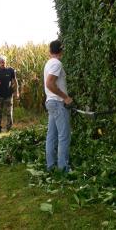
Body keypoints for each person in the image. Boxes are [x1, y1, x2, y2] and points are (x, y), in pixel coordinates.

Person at [44, 40, 73, 172]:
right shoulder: (57, 63)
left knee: (52, 135)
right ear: (61, 51)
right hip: (57, 102)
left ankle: (51, 166)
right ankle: (63, 168)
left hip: (51, 102)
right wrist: (65, 97)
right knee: (64, 136)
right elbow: (50, 83)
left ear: (50, 51)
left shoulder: (49, 63)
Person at [0, 55, 19, 132]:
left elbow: (15, 81)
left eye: (3, 62)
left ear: (6, 61)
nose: (2, 63)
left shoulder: (11, 70)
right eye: (1, 62)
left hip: (8, 95)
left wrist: (16, 92)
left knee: (9, 112)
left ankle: (9, 128)